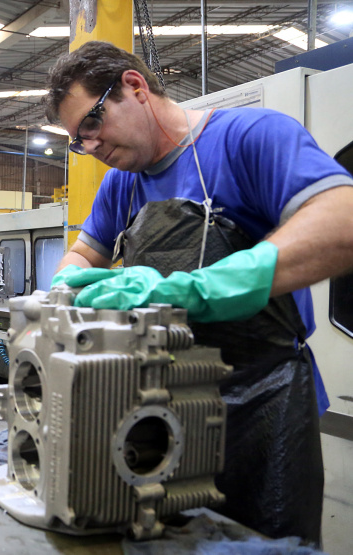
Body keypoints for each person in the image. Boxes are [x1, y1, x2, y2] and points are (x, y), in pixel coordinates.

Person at [45, 41, 353, 544]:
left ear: (134, 86)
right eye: (79, 141)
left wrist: (205, 287)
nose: (93, 146)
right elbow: (84, 253)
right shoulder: (123, 183)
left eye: (93, 123)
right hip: (157, 405)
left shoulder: (249, 138)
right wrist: (64, 288)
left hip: (260, 408)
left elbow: (343, 221)